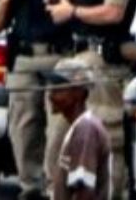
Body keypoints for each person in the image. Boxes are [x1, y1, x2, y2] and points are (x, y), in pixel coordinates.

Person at [47, 0, 136, 197]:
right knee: (61, 135)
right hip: (81, 60)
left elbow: (114, 12)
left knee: (104, 138)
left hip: (103, 65)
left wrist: (72, 11)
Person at [0, 0, 77, 200]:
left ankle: (55, 188)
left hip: (60, 57)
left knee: (58, 131)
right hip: (25, 59)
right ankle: (30, 188)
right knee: (24, 128)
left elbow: (82, 4)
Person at [41, 57, 111, 200]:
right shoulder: (80, 127)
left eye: (58, 88)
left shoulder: (86, 131)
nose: (50, 94)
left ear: (78, 93)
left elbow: (85, 190)